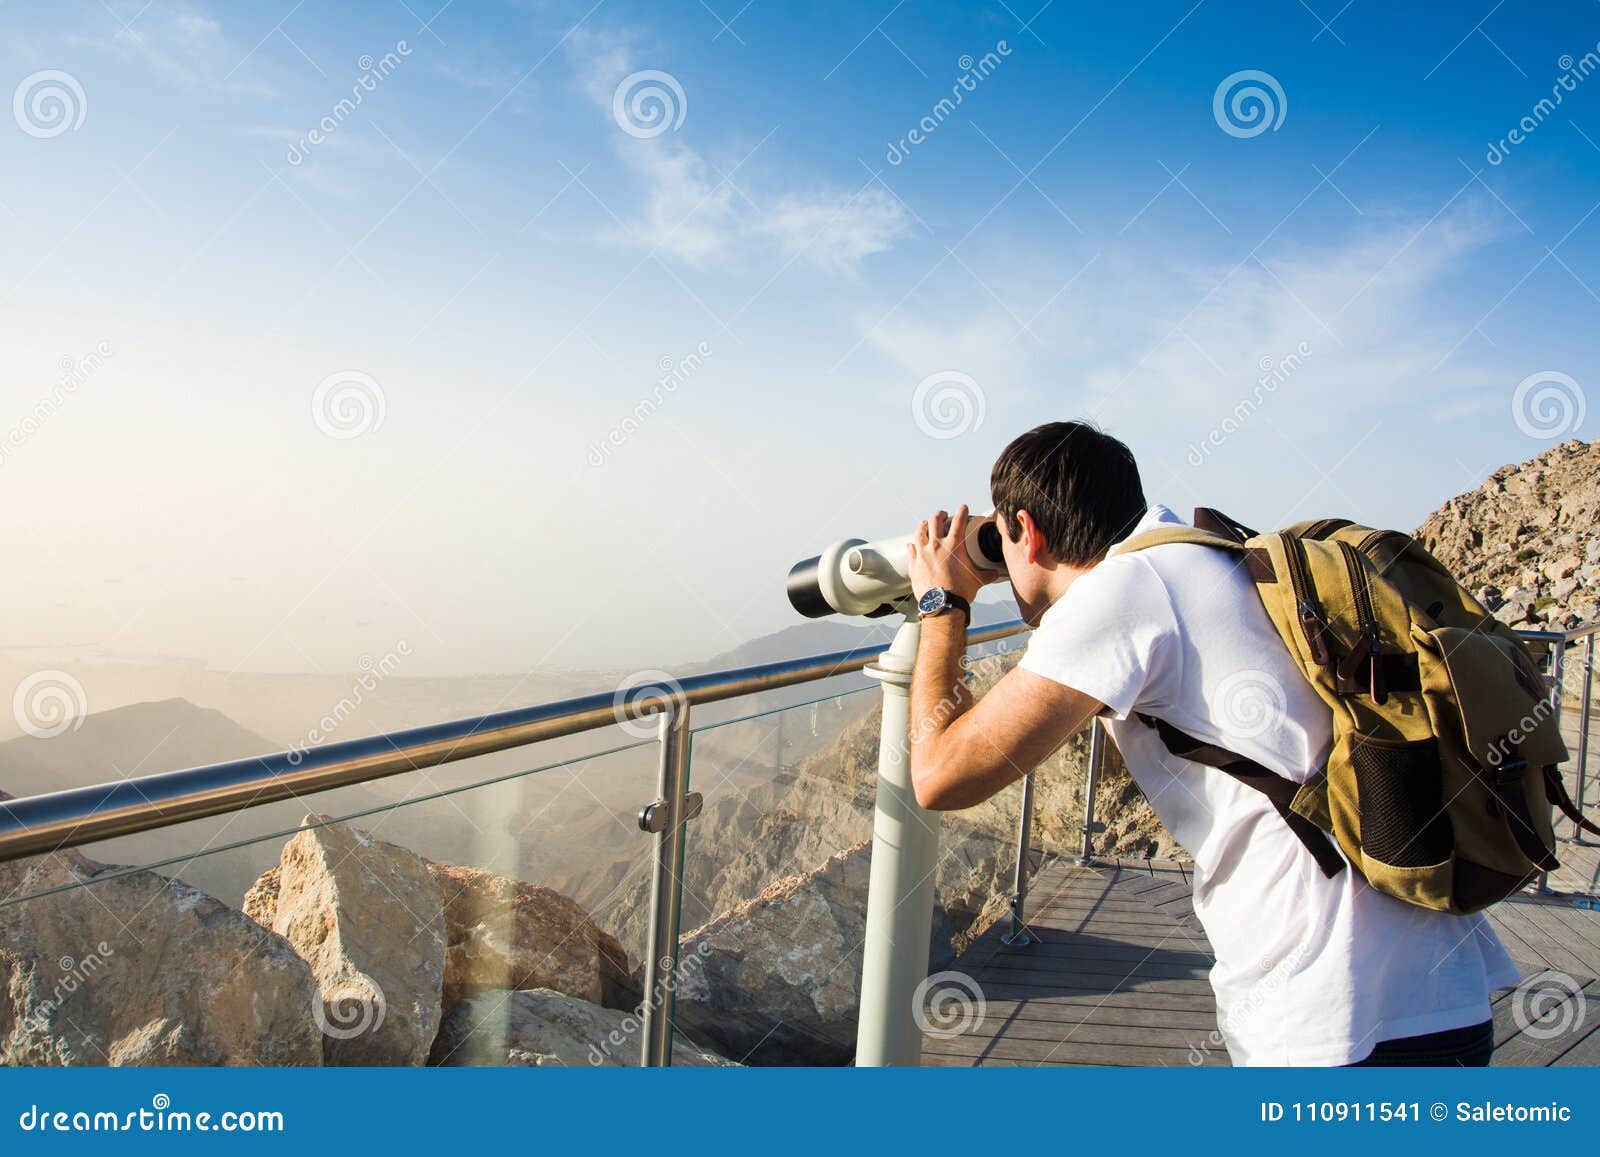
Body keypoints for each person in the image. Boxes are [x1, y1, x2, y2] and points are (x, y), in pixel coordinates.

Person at [902, 419, 1520, 1066]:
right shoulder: (1215, 553)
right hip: (1441, 992)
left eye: (1000, 538)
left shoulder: (1122, 592)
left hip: (1334, 1013)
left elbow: (940, 773)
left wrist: (943, 602)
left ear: (1027, 531)